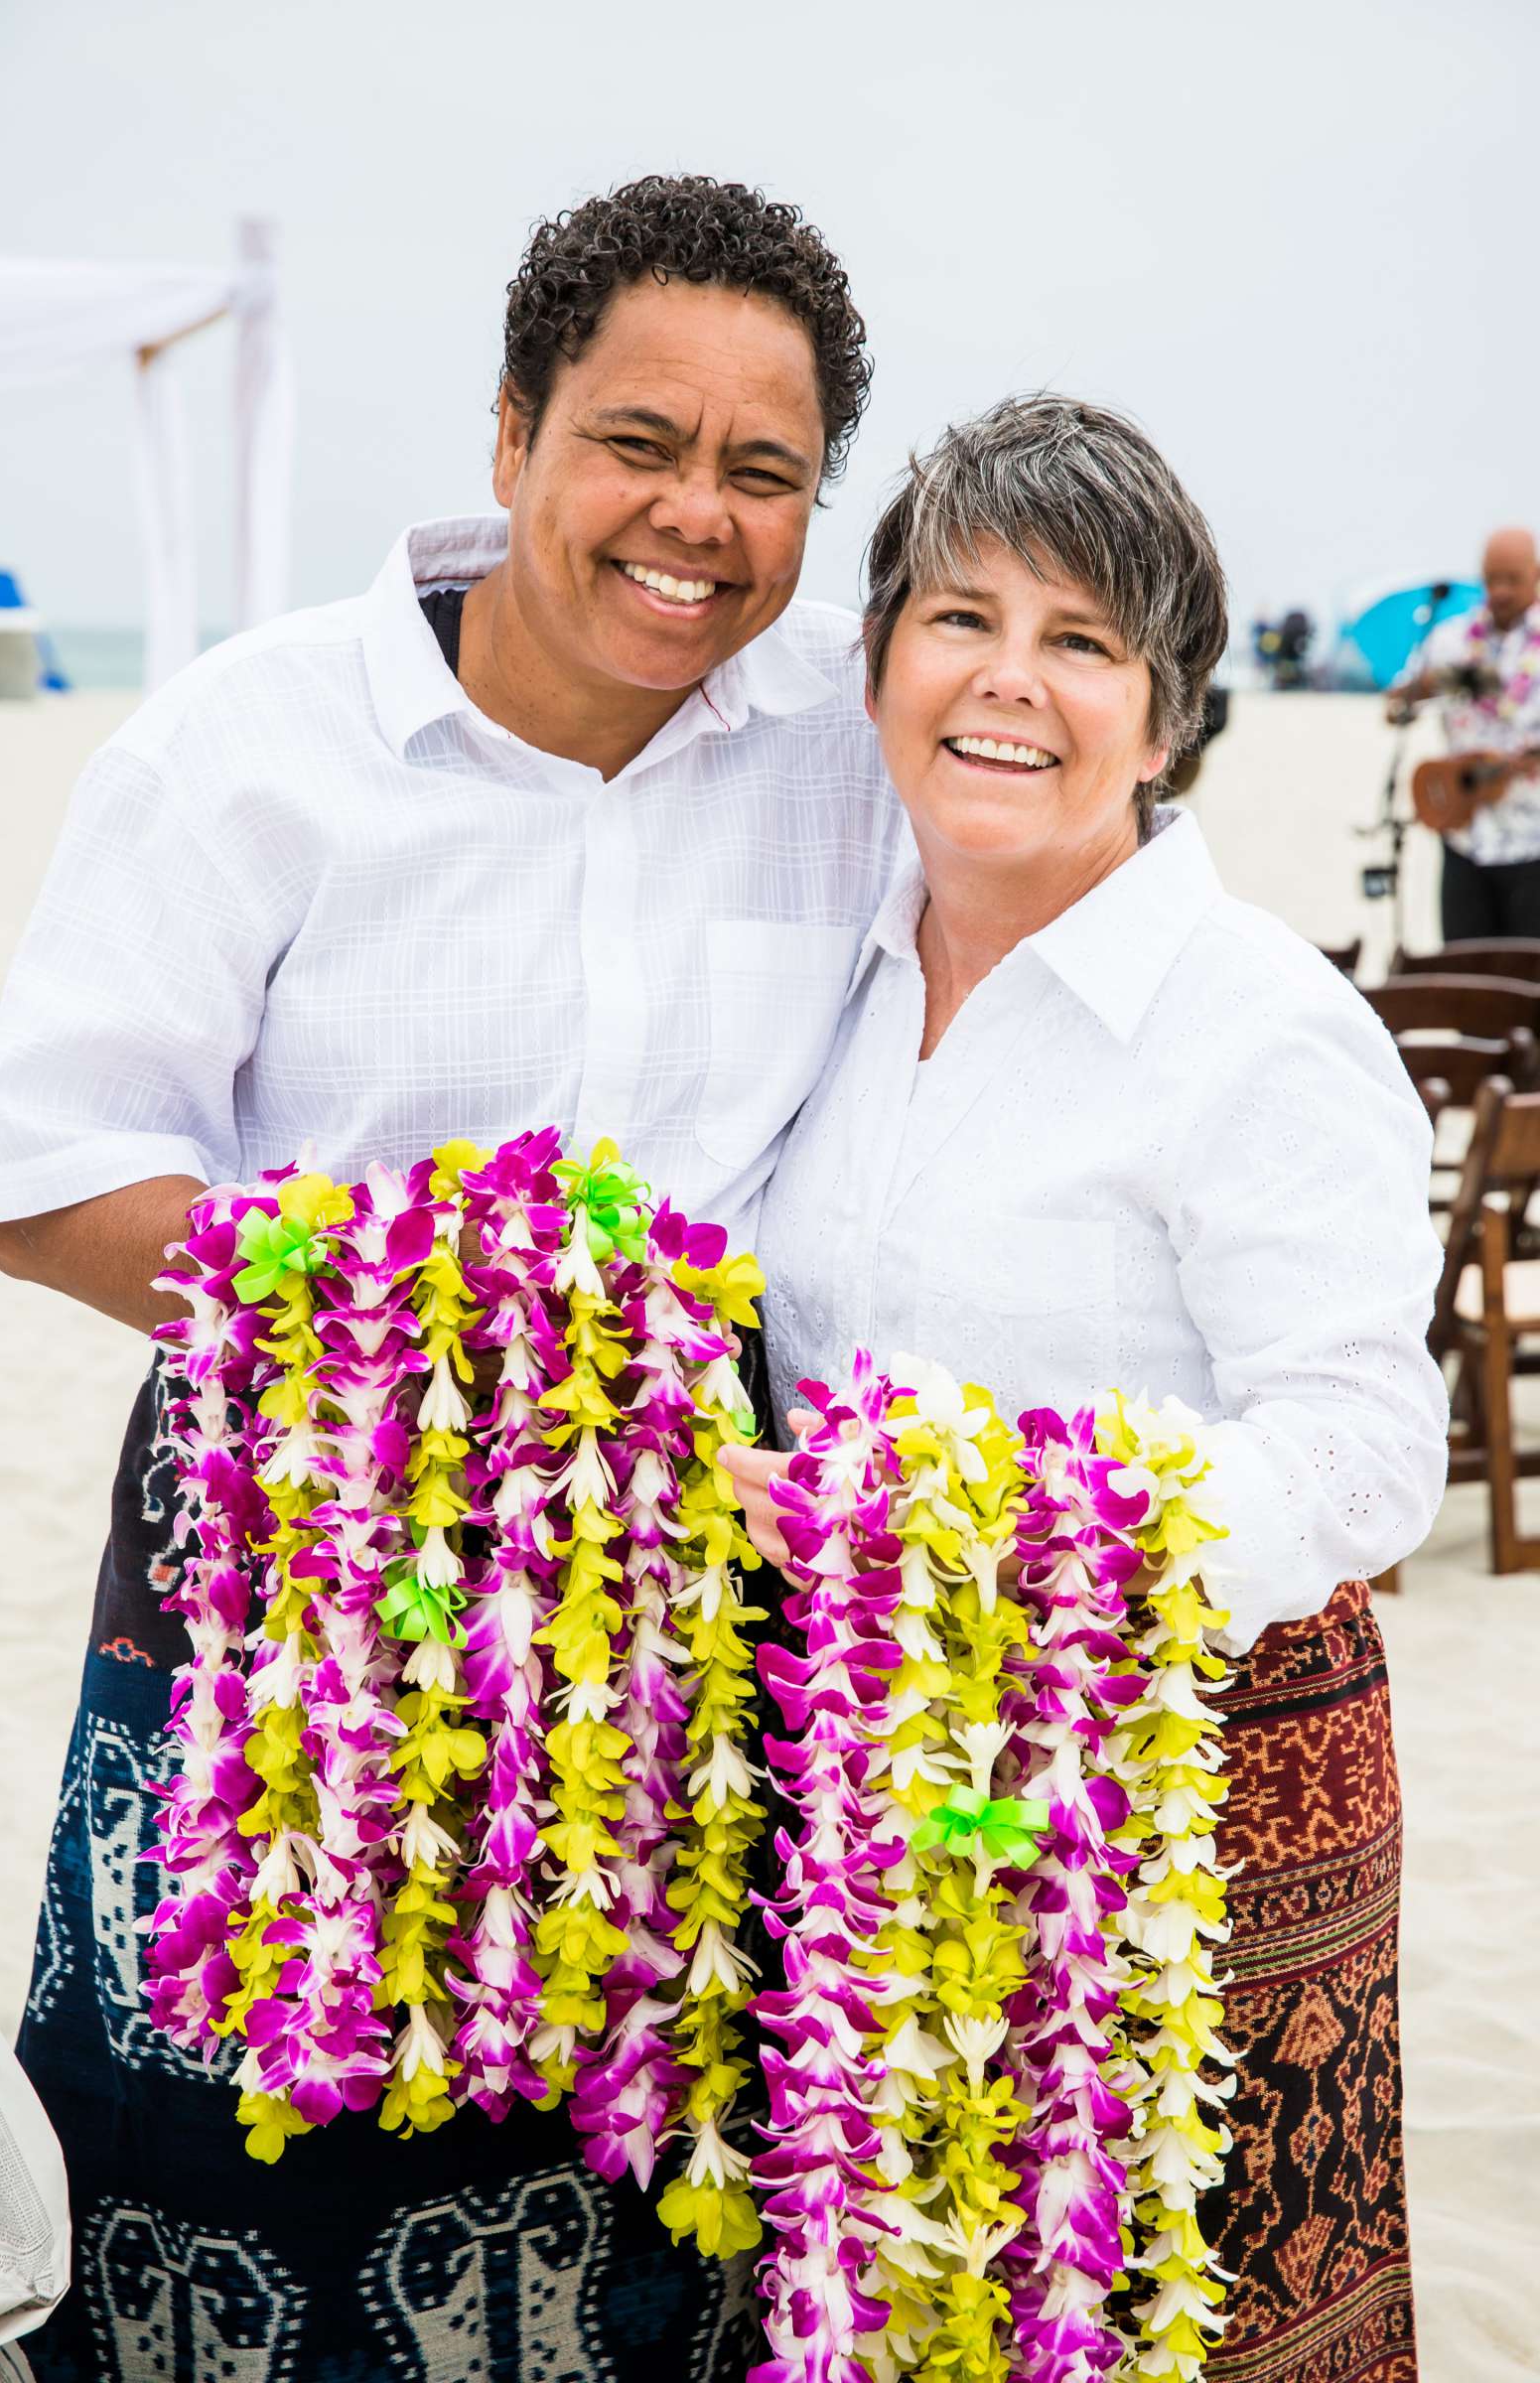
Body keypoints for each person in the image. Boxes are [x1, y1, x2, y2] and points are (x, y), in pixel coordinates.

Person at [0, 174, 902, 2383]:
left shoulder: (840, 769)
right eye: (635, 442)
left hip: (677, 1619)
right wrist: (433, 1316)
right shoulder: (244, 750)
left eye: (760, 473)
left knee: (642, 2197)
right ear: (509, 438)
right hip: (282, 1606)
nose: (694, 517)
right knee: (219, 2190)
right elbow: (49, 1179)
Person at [725, 395, 1446, 2383]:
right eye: (957, 618)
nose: (1004, 684)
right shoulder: (836, 979)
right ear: (872, 658)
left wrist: (1023, 1561)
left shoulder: (1253, 1030)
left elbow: (1367, 1449)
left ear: (1166, 709)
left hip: (1175, 1795)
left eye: (1080, 641)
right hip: (869, 1793)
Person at [1392, 526, 1540, 939]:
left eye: (1512, 579)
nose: (1502, 591)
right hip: (1462, 836)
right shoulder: (1451, 641)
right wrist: (1429, 685)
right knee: (1465, 975)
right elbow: (1394, 707)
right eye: (1492, 579)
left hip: (1532, 844)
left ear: (1536, 574)